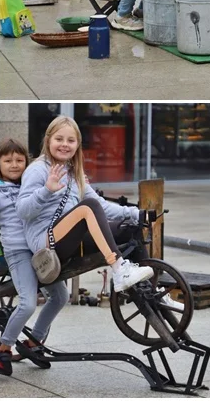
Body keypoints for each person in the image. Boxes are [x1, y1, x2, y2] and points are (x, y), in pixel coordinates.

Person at [17, 117, 164, 301]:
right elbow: (22, 211)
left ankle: (153, 294)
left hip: (69, 239)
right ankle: (119, 269)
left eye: (71, 140)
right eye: (59, 139)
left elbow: (102, 206)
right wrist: (46, 190)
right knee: (88, 207)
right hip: (45, 243)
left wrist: (136, 213)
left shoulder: (73, 174)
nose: (64, 145)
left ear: (78, 144)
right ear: (48, 141)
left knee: (129, 228)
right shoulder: (37, 170)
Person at [0, 139, 69, 377]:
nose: (14, 165)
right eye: (8, 160)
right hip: (17, 251)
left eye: (19, 160)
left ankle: (34, 341)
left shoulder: (31, 183)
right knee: (27, 303)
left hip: (40, 249)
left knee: (60, 296)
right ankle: (3, 348)